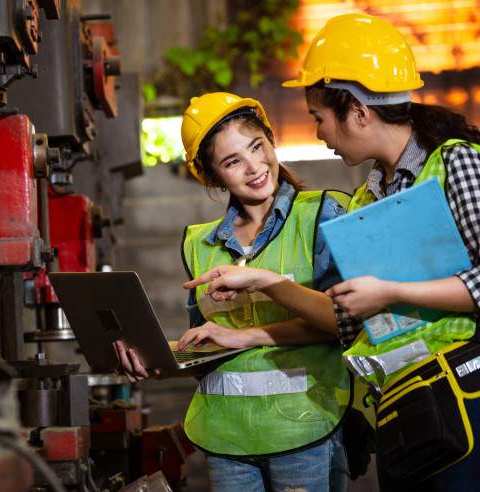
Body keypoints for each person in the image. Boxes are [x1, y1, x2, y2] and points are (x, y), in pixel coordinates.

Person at [190, 13, 480, 491]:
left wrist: (387, 291)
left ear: (359, 111)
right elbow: (348, 321)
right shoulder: (367, 201)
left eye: (318, 118)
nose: (319, 133)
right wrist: (266, 282)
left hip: (470, 394)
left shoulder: (456, 162)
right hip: (409, 405)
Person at [114, 92, 353, 492]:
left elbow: (341, 323)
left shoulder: (323, 214)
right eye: (232, 161)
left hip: (306, 429)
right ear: (211, 177)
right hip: (225, 437)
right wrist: (159, 360)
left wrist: (244, 333)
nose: (254, 166)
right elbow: (208, 351)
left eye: (256, 147)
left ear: (271, 139)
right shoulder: (198, 244)